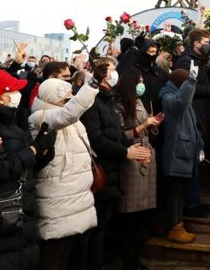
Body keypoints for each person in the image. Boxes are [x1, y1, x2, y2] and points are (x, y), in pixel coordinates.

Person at [80, 58, 152, 270]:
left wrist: (134, 150)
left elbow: (117, 133)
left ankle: (99, 262)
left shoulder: (108, 100)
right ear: (101, 74)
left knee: (102, 225)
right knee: (95, 227)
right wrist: (125, 152)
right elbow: (97, 138)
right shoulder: (92, 102)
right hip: (102, 170)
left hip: (113, 170)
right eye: (111, 70)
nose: (114, 74)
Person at [29, 72, 104, 270]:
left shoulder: (73, 120)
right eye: (66, 99)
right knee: (52, 258)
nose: (70, 101)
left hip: (75, 198)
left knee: (66, 258)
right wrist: (92, 84)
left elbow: (76, 110)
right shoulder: (40, 118)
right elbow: (68, 114)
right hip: (56, 200)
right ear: (53, 98)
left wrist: (92, 87)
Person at [0, 70, 57, 269]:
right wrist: (33, 148)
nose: (17, 96)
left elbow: (26, 167)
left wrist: (43, 150)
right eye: (12, 91)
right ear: (0, 98)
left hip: (21, 219)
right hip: (4, 223)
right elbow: (2, 170)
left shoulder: (13, 124)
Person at [115, 68, 162, 270]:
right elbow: (120, 136)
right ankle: (129, 260)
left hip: (146, 154)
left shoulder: (140, 101)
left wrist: (153, 124)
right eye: (139, 81)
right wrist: (143, 125)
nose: (142, 84)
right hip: (132, 159)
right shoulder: (119, 105)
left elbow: (147, 128)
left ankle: (136, 256)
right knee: (130, 214)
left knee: (142, 212)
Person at [174, 29, 210, 217]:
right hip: (195, 113)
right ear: (196, 43)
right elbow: (191, 88)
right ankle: (191, 204)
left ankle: (195, 201)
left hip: (201, 112)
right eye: (205, 41)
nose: (208, 45)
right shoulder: (187, 60)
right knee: (195, 158)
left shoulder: (196, 59)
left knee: (199, 159)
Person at [160, 67, 203, 244]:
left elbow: (193, 125)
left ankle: (178, 224)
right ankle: (174, 227)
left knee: (180, 192)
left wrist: (200, 146)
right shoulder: (168, 96)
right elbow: (178, 106)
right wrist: (191, 82)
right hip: (175, 153)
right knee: (174, 192)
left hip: (185, 152)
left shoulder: (180, 94)